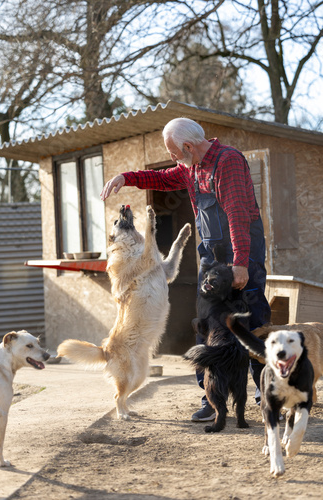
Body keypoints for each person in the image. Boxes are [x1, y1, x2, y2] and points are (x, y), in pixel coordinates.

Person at [101, 117, 271, 421]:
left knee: (253, 317)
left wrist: (241, 263)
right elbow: (163, 179)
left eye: (173, 152)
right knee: (206, 323)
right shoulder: (190, 167)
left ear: (189, 146)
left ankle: (264, 389)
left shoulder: (227, 162)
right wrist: (125, 177)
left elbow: (237, 216)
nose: (172, 158)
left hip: (242, 251)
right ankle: (211, 396)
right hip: (211, 256)